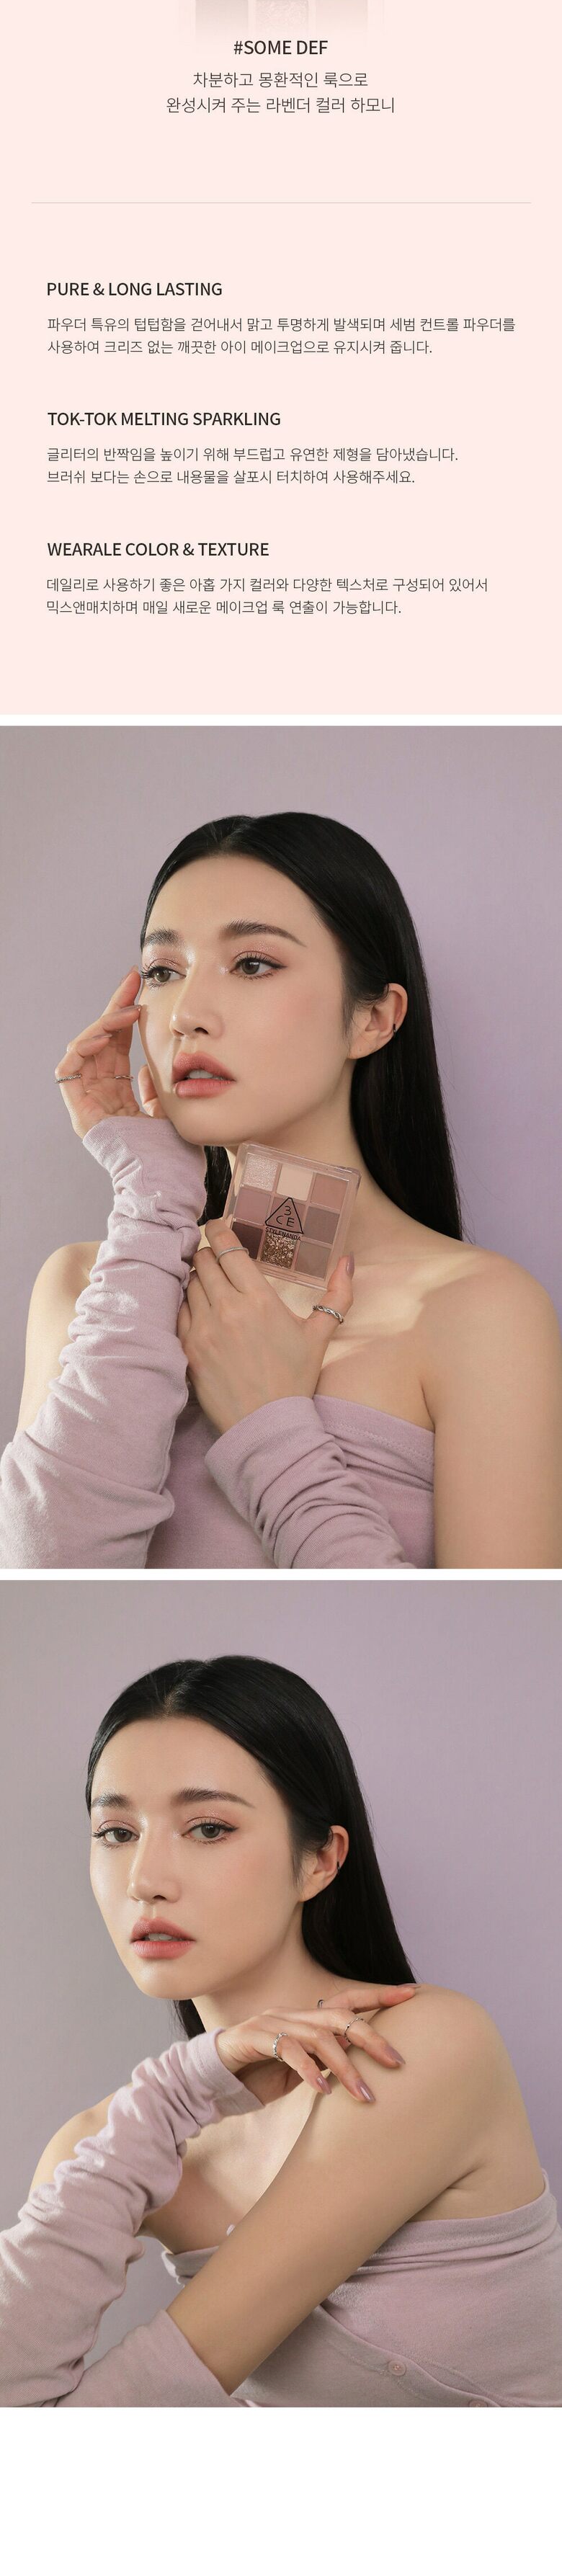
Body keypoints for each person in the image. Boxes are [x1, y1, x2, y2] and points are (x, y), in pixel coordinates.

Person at [2, 813, 561, 1568]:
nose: (187, 1016)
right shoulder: (83, 1285)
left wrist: (269, 1423)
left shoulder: (477, 1313)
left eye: (253, 964)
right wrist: (153, 1196)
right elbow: (48, 1580)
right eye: (163, 972)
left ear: (373, 1018)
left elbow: (459, 1626)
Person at [1, 1655, 560, 2407]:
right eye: (116, 1832)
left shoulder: (418, 2048)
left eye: (208, 1828)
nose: (144, 1879)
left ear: (320, 1860)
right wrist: (178, 2090)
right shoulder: (112, 2143)